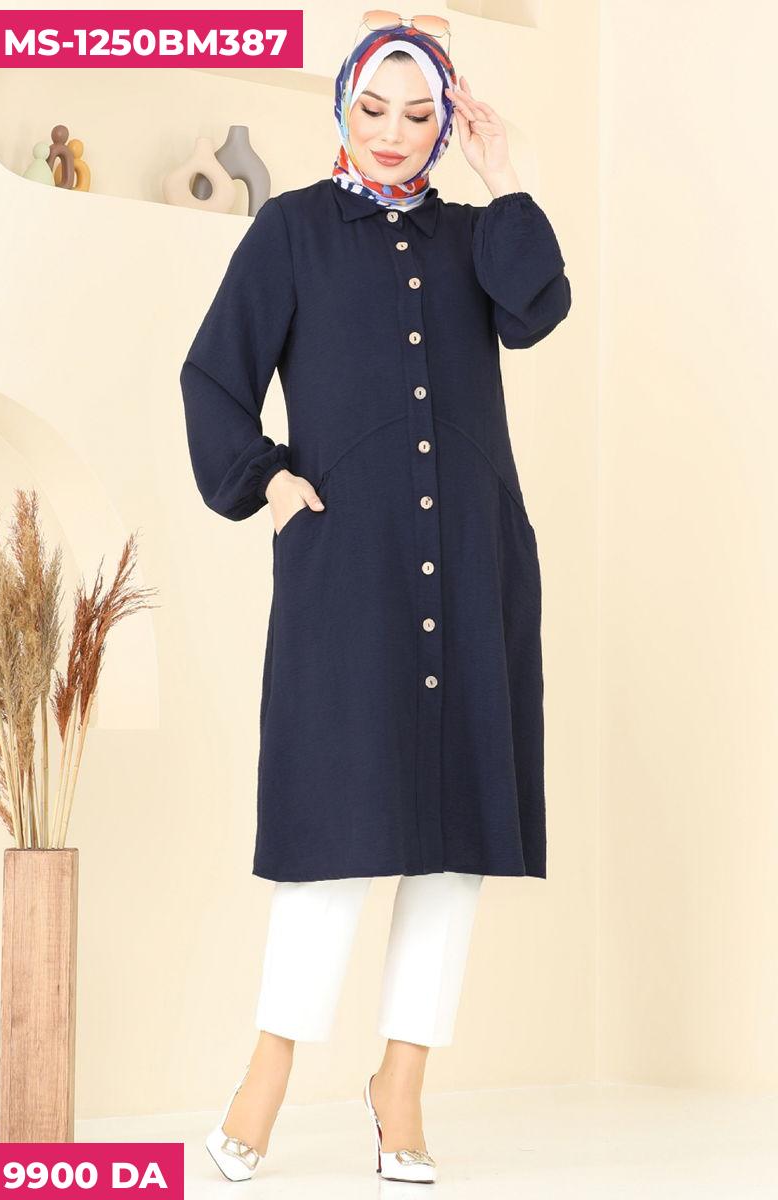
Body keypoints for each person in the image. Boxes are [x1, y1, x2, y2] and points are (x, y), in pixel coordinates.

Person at [180, 12, 571, 1186]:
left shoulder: (474, 236)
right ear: (341, 107)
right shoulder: (293, 231)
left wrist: (506, 180)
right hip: (348, 568)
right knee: (335, 831)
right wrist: (266, 479)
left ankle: (400, 1084)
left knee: (454, 840)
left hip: (472, 561)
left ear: (444, 124)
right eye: (372, 109)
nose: (393, 133)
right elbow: (212, 378)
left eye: (418, 115)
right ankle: (266, 1073)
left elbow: (537, 311)